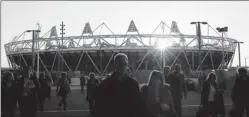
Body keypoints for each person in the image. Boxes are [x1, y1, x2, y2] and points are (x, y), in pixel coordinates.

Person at [95, 53, 146, 117]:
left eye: (125, 64)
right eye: (120, 64)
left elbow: (138, 105)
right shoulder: (105, 84)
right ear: (115, 65)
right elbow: (99, 106)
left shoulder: (133, 84)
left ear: (127, 65)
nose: (122, 66)